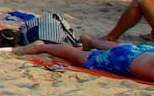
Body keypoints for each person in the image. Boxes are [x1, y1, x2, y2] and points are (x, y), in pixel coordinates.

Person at [14, 37, 154, 81]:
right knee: (80, 56)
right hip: (124, 61)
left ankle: (91, 41)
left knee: (121, 47)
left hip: (142, 52)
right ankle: (42, 47)